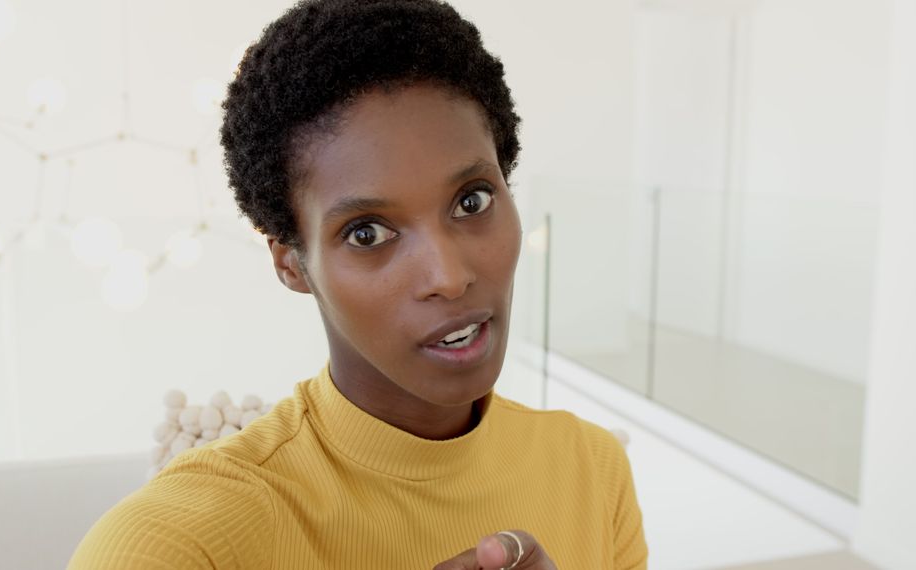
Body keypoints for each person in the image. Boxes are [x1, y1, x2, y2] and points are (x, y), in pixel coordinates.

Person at [68, 0, 648, 567]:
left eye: (472, 200)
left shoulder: (593, 470)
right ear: (291, 262)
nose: (448, 277)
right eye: (368, 233)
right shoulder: (173, 544)